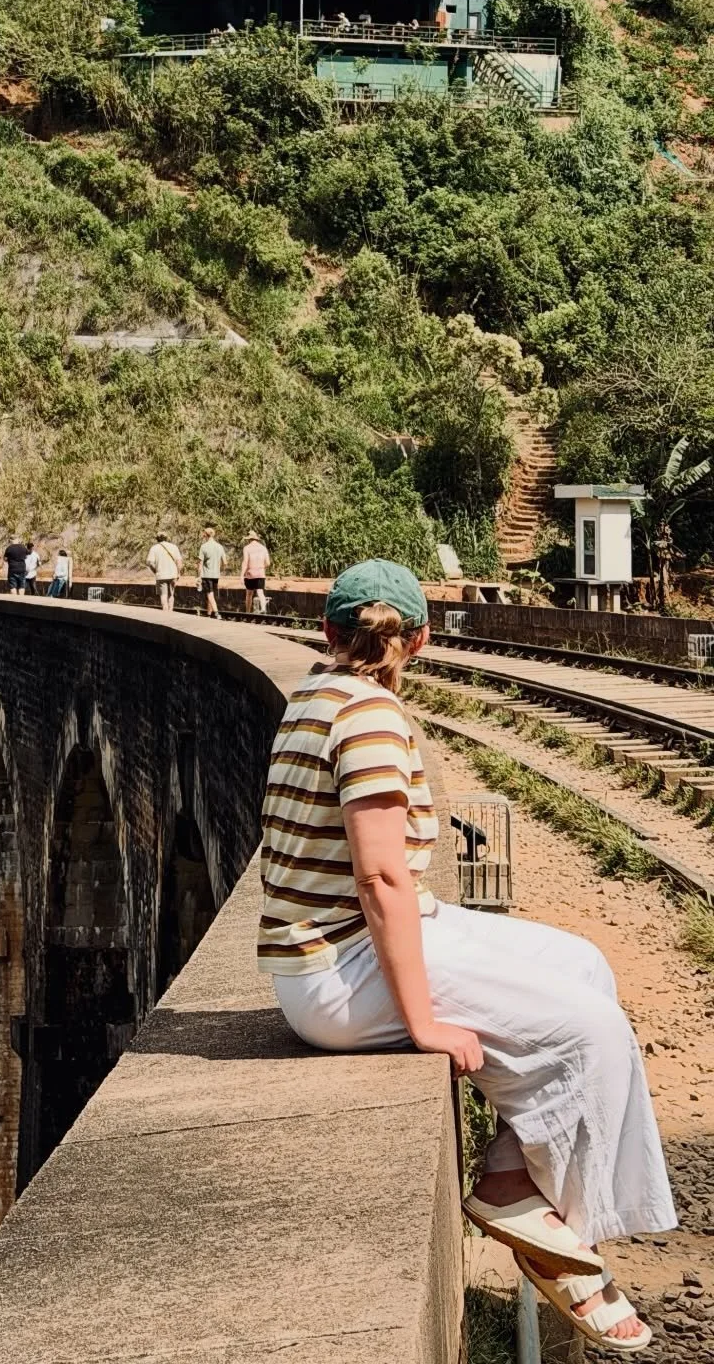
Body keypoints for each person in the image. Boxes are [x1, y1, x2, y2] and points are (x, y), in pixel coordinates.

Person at [260, 560, 671, 1353]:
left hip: (335, 956)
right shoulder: (371, 717)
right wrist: (424, 1026)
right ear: (421, 638)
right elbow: (380, 878)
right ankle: (554, 1235)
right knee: (591, 1031)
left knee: (585, 965)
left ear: (326, 632)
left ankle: (519, 1175)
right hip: (341, 974)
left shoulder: (316, 696)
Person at [147, 529, 182, 612]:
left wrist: (155, 571)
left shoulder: (154, 548)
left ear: (157, 539)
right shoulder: (174, 547)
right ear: (167, 538)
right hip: (173, 574)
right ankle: (170, 611)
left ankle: (165, 611)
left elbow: (149, 563)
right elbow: (179, 562)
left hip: (161, 575)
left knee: (163, 595)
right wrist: (179, 573)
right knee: (171, 594)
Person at [198, 525, 226, 618]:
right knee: (212, 593)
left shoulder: (204, 547)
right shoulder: (220, 546)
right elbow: (225, 562)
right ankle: (209, 614)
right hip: (216, 575)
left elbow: (200, 563)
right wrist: (220, 570)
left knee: (209, 594)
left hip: (207, 575)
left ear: (205, 535)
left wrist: (199, 576)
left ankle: (217, 613)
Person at [240, 530, 270, 612]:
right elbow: (268, 563)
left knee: (249, 593)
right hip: (260, 573)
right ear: (256, 539)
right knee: (260, 592)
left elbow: (245, 562)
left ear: (249, 539)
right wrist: (260, 567)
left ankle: (247, 612)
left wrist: (242, 575)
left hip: (250, 574)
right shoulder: (263, 548)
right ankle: (263, 609)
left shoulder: (246, 548)